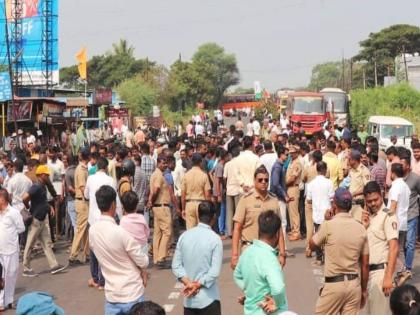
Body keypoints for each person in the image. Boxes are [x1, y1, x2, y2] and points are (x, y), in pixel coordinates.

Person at [89, 185, 149, 315]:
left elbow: (94, 251)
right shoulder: (120, 232)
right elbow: (143, 261)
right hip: (132, 292)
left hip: (112, 295)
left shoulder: (92, 231)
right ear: (113, 205)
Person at [310, 188, 369, 315]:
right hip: (354, 285)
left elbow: (312, 245)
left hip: (334, 284)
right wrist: (363, 290)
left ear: (334, 204)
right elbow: (364, 265)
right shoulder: (361, 229)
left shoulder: (328, 225)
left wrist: (325, 221)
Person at [172, 202, 223, 315]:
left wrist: (189, 283)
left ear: (197, 215)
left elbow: (176, 266)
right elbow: (214, 272)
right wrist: (197, 284)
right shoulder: (215, 239)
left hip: (189, 301)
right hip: (209, 299)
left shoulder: (184, 236)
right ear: (214, 217)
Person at [231, 166, 286, 269]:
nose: (264, 182)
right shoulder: (245, 200)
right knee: (251, 284)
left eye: (266, 180)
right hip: (250, 249)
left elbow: (279, 229)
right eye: (260, 180)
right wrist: (235, 255)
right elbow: (237, 229)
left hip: (270, 251)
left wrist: (282, 254)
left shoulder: (273, 200)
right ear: (254, 181)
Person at [234, 210, 288, 315]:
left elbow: (237, 275)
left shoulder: (247, 252)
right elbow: (278, 289)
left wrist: (251, 291)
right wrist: (277, 303)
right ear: (277, 234)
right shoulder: (269, 258)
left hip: (250, 311)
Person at [360, 181, 399, 315]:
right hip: (365, 275)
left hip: (380, 274)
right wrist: (363, 227)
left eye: (375, 199)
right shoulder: (366, 217)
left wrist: (388, 277)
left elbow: (394, 248)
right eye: (369, 201)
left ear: (382, 195)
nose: (373, 203)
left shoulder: (388, 215)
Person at [22, 165, 67, 277]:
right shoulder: (36, 186)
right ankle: (26, 268)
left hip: (41, 219)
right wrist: (27, 206)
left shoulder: (42, 186)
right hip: (36, 219)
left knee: (47, 244)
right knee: (30, 244)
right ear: (42, 175)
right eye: (46, 175)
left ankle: (54, 265)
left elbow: (42, 201)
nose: (48, 176)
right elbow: (25, 197)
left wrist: (48, 207)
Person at [0, 189, 24, 312]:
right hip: (0, 251)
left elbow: (21, 228)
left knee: (10, 276)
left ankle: (8, 301)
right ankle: (1, 302)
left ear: (2, 199)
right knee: (1, 277)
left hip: (11, 249)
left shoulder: (13, 212)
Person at [306, 161, 334, 266]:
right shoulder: (329, 182)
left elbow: (308, 200)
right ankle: (328, 258)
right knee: (328, 237)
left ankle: (319, 258)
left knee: (318, 236)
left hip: (317, 214)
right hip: (328, 214)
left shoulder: (311, 184)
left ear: (317, 170)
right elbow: (332, 199)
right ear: (325, 170)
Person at [387, 163, 411, 286]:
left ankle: (403, 271)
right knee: (400, 250)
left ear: (393, 173)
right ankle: (400, 276)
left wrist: (383, 215)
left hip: (394, 223)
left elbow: (393, 206)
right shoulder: (405, 186)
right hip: (403, 222)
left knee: (389, 250)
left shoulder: (396, 186)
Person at [120, 191, 150, 287]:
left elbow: (122, 235)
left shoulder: (123, 220)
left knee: (132, 268)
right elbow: (147, 232)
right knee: (142, 266)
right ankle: (144, 275)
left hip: (129, 249)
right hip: (142, 247)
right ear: (136, 205)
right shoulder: (142, 218)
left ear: (123, 206)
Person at [148, 156, 173, 269]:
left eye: (166, 163)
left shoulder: (155, 174)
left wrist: (150, 202)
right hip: (161, 206)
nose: (165, 165)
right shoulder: (158, 175)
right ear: (158, 163)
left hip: (157, 207)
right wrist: (151, 201)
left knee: (158, 233)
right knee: (167, 232)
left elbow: (153, 191)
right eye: (163, 163)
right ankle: (161, 257)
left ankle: (157, 258)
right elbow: (156, 190)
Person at [399, 154, 420, 285]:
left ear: (408, 165)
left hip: (412, 214)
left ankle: (407, 268)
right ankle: (402, 267)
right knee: (401, 245)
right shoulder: (398, 177)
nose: (400, 166)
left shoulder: (415, 179)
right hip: (400, 216)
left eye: (402, 164)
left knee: (410, 243)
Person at [69, 147, 90, 265]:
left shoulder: (84, 168)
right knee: (81, 228)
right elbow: (83, 188)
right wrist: (89, 197)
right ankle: (73, 255)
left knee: (85, 229)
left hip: (82, 201)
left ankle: (86, 253)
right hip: (82, 201)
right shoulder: (81, 169)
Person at [181, 153, 211, 229]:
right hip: (201, 204)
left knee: (190, 230)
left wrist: (183, 209)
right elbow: (207, 194)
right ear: (201, 162)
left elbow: (183, 194)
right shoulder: (204, 175)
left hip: (189, 204)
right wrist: (209, 208)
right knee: (202, 229)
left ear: (192, 162)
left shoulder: (186, 175)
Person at [348, 149, 371, 222]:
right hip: (351, 202)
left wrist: (354, 194)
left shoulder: (364, 170)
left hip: (359, 202)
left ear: (354, 160)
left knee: (358, 222)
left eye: (349, 159)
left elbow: (367, 188)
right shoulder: (351, 170)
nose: (348, 161)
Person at [285, 145, 302, 241]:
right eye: (290, 153)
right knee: (290, 211)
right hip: (289, 188)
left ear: (297, 153)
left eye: (293, 153)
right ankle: (293, 229)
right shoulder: (291, 161)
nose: (291, 154)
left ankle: (297, 232)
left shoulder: (297, 163)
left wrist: (284, 183)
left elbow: (293, 178)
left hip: (293, 187)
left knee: (294, 211)